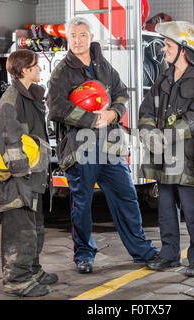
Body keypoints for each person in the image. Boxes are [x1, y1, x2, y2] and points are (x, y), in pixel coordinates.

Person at [47, 17, 158, 274]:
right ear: (68, 39)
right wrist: (91, 118)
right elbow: (56, 108)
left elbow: (121, 93)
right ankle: (84, 254)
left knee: (127, 197)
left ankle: (142, 251)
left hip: (111, 146)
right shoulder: (62, 71)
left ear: (91, 37)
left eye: (82, 35)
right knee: (82, 203)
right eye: (73, 36)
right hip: (80, 147)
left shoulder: (103, 66)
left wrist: (114, 114)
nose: (77, 40)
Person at [138, 21, 194, 277]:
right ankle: (169, 254)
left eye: (168, 45)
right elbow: (146, 109)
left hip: (188, 156)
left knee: (193, 210)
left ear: (184, 48)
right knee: (165, 206)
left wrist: (165, 136)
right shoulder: (163, 76)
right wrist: (148, 131)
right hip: (164, 156)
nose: (163, 50)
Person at [0, 49, 58, 297]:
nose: (39, 69)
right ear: (25, 70)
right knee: (20, 230)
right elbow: (8, 140)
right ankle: (17, 280)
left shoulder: (30, 97)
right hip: (17, 181)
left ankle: (32, 270)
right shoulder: (11, 100)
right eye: (36, 66)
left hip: (31, 178)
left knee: (34, 227)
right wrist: (22, 172)